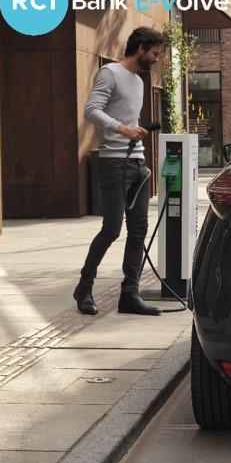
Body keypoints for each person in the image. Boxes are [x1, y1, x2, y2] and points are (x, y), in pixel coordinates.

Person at [73, 27, 164, 316]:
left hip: (137, 164)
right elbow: (91, 110)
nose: (156, 59)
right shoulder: (110, 73)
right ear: (140, 49)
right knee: (112, 229)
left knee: (138, 231)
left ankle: (130, 295)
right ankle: (84, 288)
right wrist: (122, 128)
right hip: (113, 163)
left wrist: (138, 141)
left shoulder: (138, 81)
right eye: (154, 53)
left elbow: (129, 117)